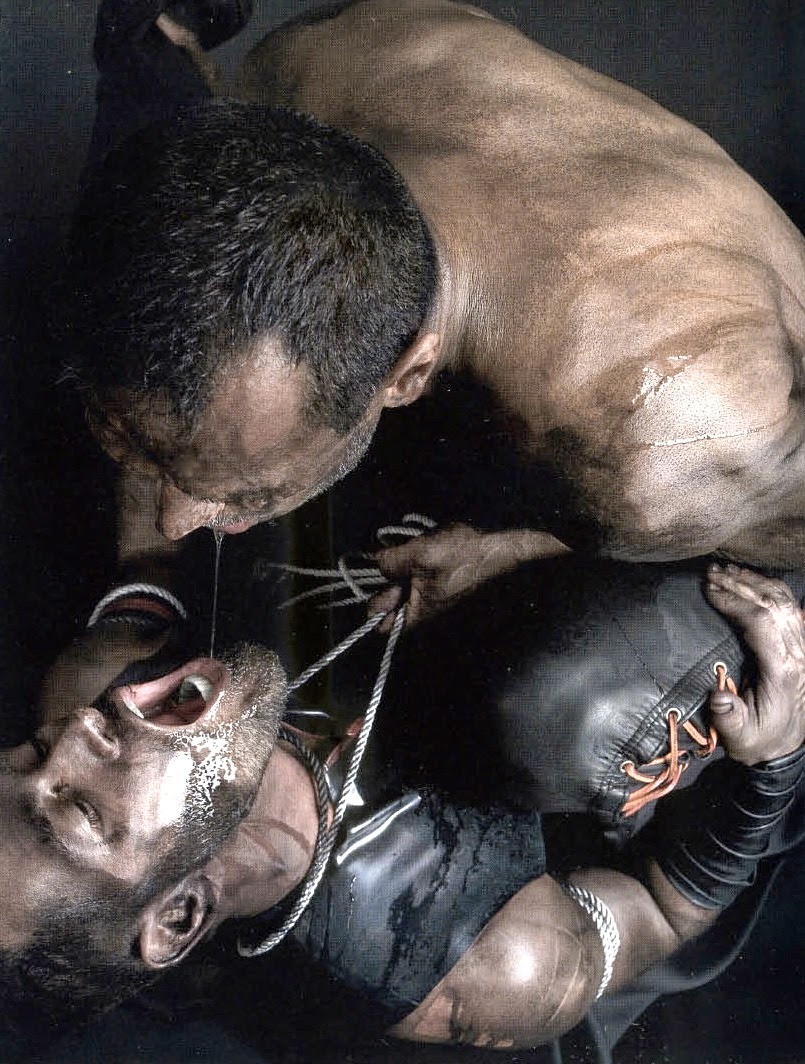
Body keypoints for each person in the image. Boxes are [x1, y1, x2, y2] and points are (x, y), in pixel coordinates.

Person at [63, 0, 805, 625]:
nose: (173, 521)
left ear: (408, 373)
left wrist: (524, 552)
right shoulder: (310, 62)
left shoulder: (654, 450)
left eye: (246, 491)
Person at [1, 562, 803, 1062]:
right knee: (570, 706)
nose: (81, 730)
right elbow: (664, 911)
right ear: (179, 915)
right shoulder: (488, 966)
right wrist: (773, 759)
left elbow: (157, 527)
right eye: (80, 811)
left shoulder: (104, 683)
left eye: (31, 755)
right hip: (652, 737)